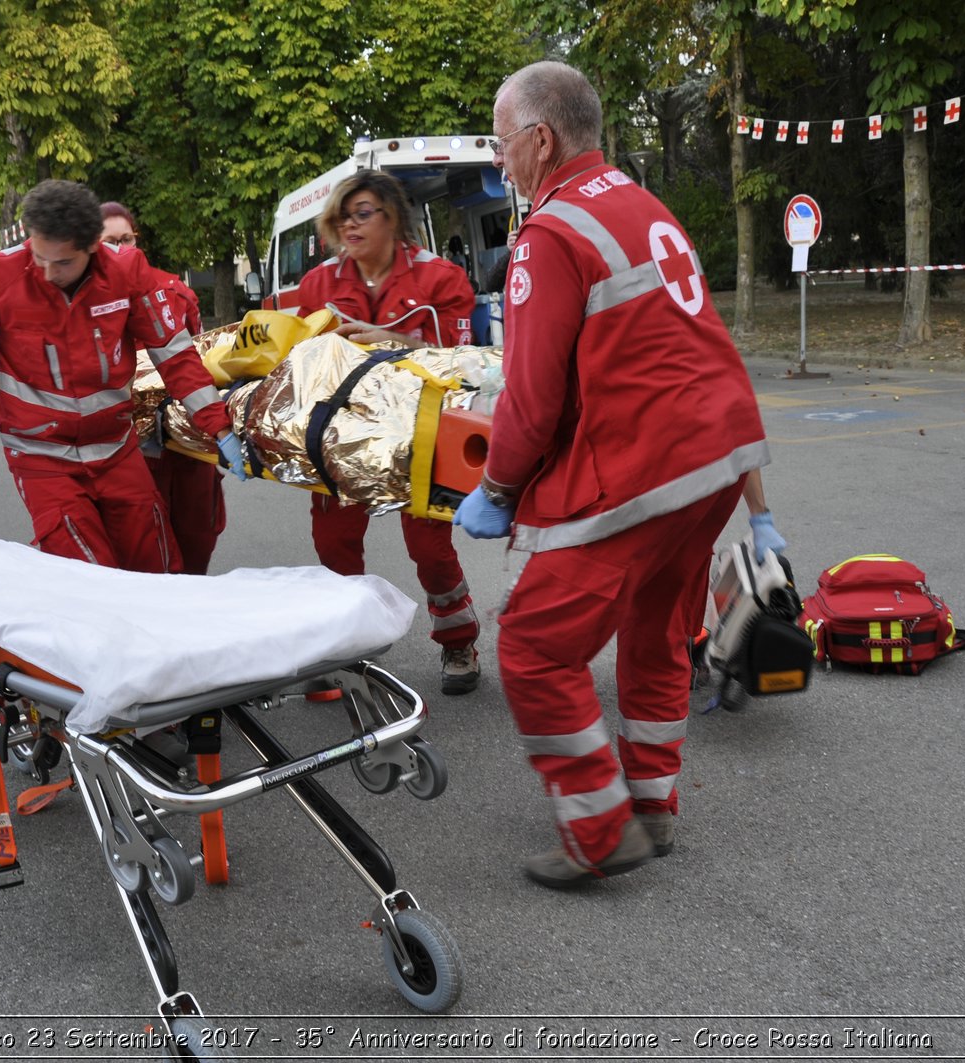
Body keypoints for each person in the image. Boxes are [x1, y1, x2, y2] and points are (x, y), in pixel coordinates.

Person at [453, 61, 769, 887]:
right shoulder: (637, 201)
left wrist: (498, 490)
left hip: (642, 466)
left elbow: (532, 397)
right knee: (659, 631)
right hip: (716, 458)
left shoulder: (550, 234)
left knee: (531, 648)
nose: (500, 161)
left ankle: (599, 830)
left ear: (541, 139)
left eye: (501, 142)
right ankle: (653, 808)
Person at [0, 178, 247, 572]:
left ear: (93, 246)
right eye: (39, 257)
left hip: (114, 447)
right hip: (41, 455)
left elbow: (174, 354)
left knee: (157, 565)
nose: (46, 272)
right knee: (87, 572)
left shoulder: (126, 272)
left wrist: (218, 427)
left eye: (62, 263)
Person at [292, 171, 484, 694]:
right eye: (342, 216)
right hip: (341, 437)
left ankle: (458, 641)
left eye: (363, 213)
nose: (350, 226)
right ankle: (343, 653)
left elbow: (460, 362)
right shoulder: (318, 286)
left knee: (431, 548)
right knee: (334, 546)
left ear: (392, 217)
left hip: (420, 436)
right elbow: (298, 364)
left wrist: (391, 340)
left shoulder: (441, 279)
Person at [99, 201, 228, 575]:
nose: (121, 249)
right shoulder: (88, 300)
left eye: (127, 239)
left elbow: (193, 361)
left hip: (183, 440)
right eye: (110, 241)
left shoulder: (173, 291)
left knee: (197, 536)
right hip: (130, 448)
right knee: (144, 551)